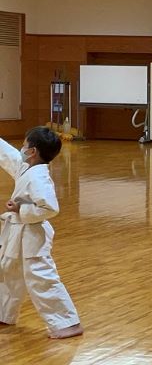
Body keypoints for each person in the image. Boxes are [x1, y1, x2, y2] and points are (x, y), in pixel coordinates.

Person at [0, 126, 83, 339]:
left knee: (40, 277)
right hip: (19, 232)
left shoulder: (39, 178)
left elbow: (50, 207)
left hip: (33, 234)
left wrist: (21, 209)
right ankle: (4, 314)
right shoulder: (27, 167)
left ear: (33, 151)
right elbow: (7, 155)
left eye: (25, 145)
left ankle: (68, 322)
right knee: (9, 271)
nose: (22, 148)